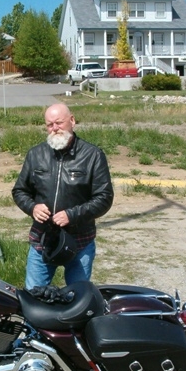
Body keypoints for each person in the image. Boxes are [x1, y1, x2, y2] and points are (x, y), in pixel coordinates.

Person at [12, 103, 114, 289]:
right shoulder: (36, 154)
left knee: (78, 300)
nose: (55, 128)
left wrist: (72, 215)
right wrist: (32, 207)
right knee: (34, 299)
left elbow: (104, 197)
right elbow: (20, 191)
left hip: (80, 241)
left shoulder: (92, 156)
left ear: (72, 121)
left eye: (59, 122)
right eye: (50, 124)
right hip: (42, 240)